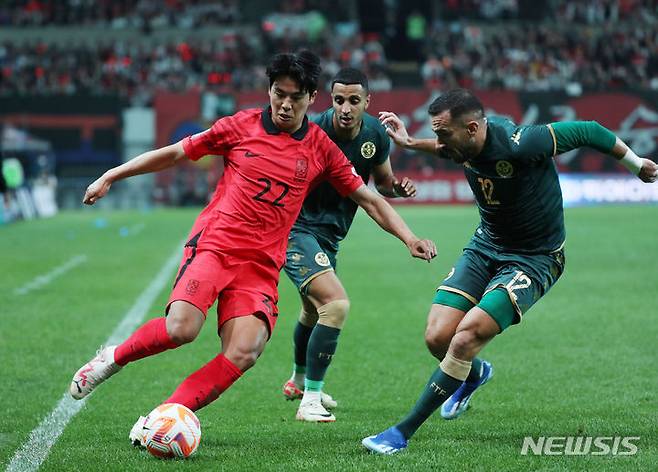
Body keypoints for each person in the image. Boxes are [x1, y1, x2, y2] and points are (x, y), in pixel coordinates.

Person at [68, 50, 437, 447]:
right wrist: (112, 175)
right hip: (216, 247)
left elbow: (370, 199)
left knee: (245, 350)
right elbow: (177, 152)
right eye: (279, 93)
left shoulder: (320, 148)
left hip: (260, 265)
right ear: (270, 90)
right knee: (181, 329)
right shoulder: (239, 126)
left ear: (311, 98)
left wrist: (409, 237)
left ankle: (161, 420)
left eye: (296, 97)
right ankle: (112, 358)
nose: (285, 103)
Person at [362, 88, 658, 454]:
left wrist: (635, 163)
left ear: (472, 128)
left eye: (443, 133)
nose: (440, 143)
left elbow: (590, 130)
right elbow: (444, 149)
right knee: (437, 337)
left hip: (534, 258)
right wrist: (409, 143)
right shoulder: (464, 143)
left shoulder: (522, 143)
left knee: (465, 337)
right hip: (486, 246)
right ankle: (475, 375)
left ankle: (401, 432)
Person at [281, 68, 418, 422]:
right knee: (335, 306)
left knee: (313, 312)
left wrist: (397, 189)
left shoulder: (374, 134)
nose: (345, 107)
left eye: (353, 101)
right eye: (339, 100)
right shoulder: (311, 132)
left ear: (366, 102)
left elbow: (382, 186)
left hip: (330, 236)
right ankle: (310, 399)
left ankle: (298, 381)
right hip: (296, 230)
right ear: (330, 100)